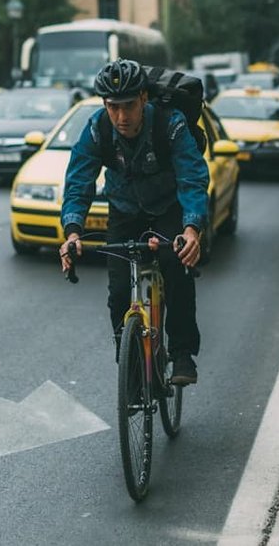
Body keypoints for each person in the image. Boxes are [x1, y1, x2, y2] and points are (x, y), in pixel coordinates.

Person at [59, 58, 209, 385]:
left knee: (176, 265)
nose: (121, 117)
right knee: (117, 294)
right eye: (113, 107)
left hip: (169, 207)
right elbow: (78, 181)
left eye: (129, 106)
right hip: (124, 210)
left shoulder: (170, 124)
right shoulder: (98, 127)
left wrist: (191, 228)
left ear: (144, 98)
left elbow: (192, 178)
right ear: (104, 104)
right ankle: (128, 358)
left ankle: (183, 353)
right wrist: (72, 233)